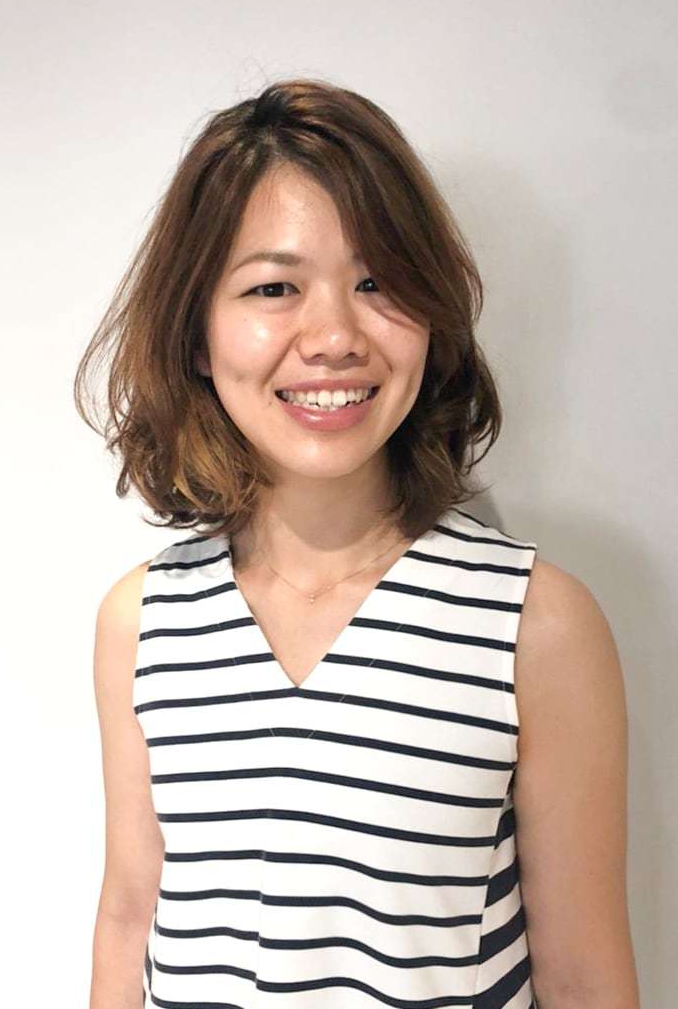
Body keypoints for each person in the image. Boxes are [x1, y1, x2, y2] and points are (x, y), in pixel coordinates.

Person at [76, 78, 640, 1009]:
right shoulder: (142, 624)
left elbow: (583, 979)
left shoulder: (536, 626)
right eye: (274, 287)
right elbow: (128, 918)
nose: (335, 336)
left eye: (378, 282)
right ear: (197, 335)